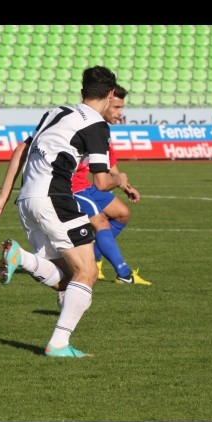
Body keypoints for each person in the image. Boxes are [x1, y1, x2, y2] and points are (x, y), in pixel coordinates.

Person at [0, 66, 126, 358]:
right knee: (87, 271)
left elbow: (21, 150)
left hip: (26, 200)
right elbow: (101, 182)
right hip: (54, 197)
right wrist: (120, 179)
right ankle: (58, 344)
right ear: (111, 93)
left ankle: (22, 258)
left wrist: (2, 195)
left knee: (66, 278)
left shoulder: (56, 111)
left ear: (82, 92)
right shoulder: (98, 125)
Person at [72, 84, 151, 285]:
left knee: (122, 213)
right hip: (72, 187)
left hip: (86, 185)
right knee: (102, 222)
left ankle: (96, 262)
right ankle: (124, 274)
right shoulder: (88, 125)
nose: (120, 113)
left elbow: (110, 164)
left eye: (121, 108)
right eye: (116, 107)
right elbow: (102, 179)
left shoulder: (101, 129)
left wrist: (126, 186)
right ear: (105, 101)